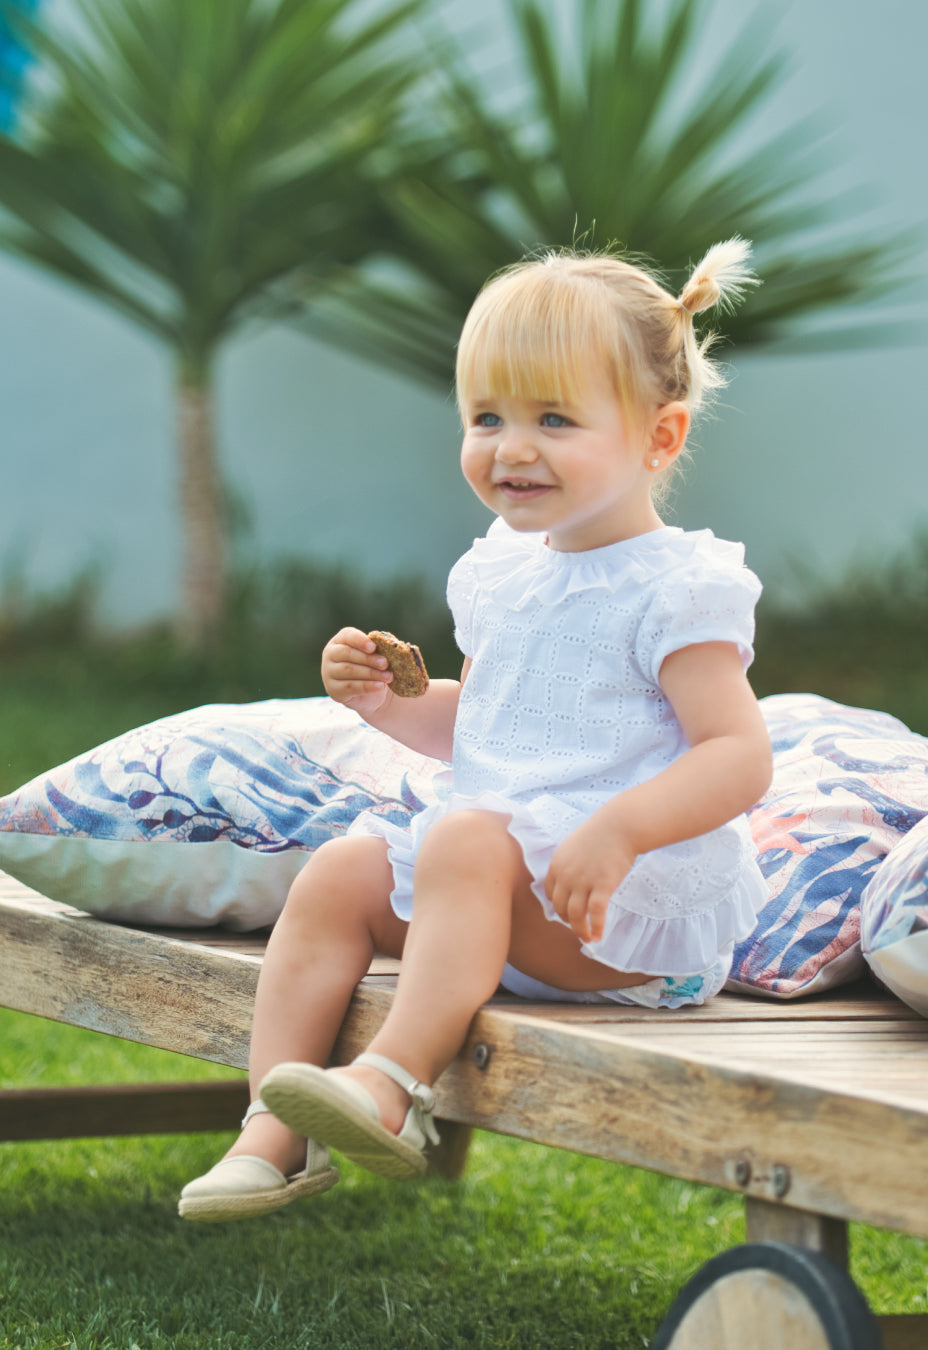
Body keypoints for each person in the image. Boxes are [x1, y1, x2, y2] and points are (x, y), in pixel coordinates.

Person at [179, 240, 774, 1222]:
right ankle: (271, 1132)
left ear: (659, 439)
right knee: (340, 871)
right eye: (486, 417)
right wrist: (389, 705)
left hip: (620, 922)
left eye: (553, 419)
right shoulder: (503, 569)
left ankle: (393, 1090)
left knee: (461, 835)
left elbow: (738, 755)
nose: (511, 447)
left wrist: (621, 829)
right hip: (502, 892)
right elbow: (497, 727)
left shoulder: (679, 588)